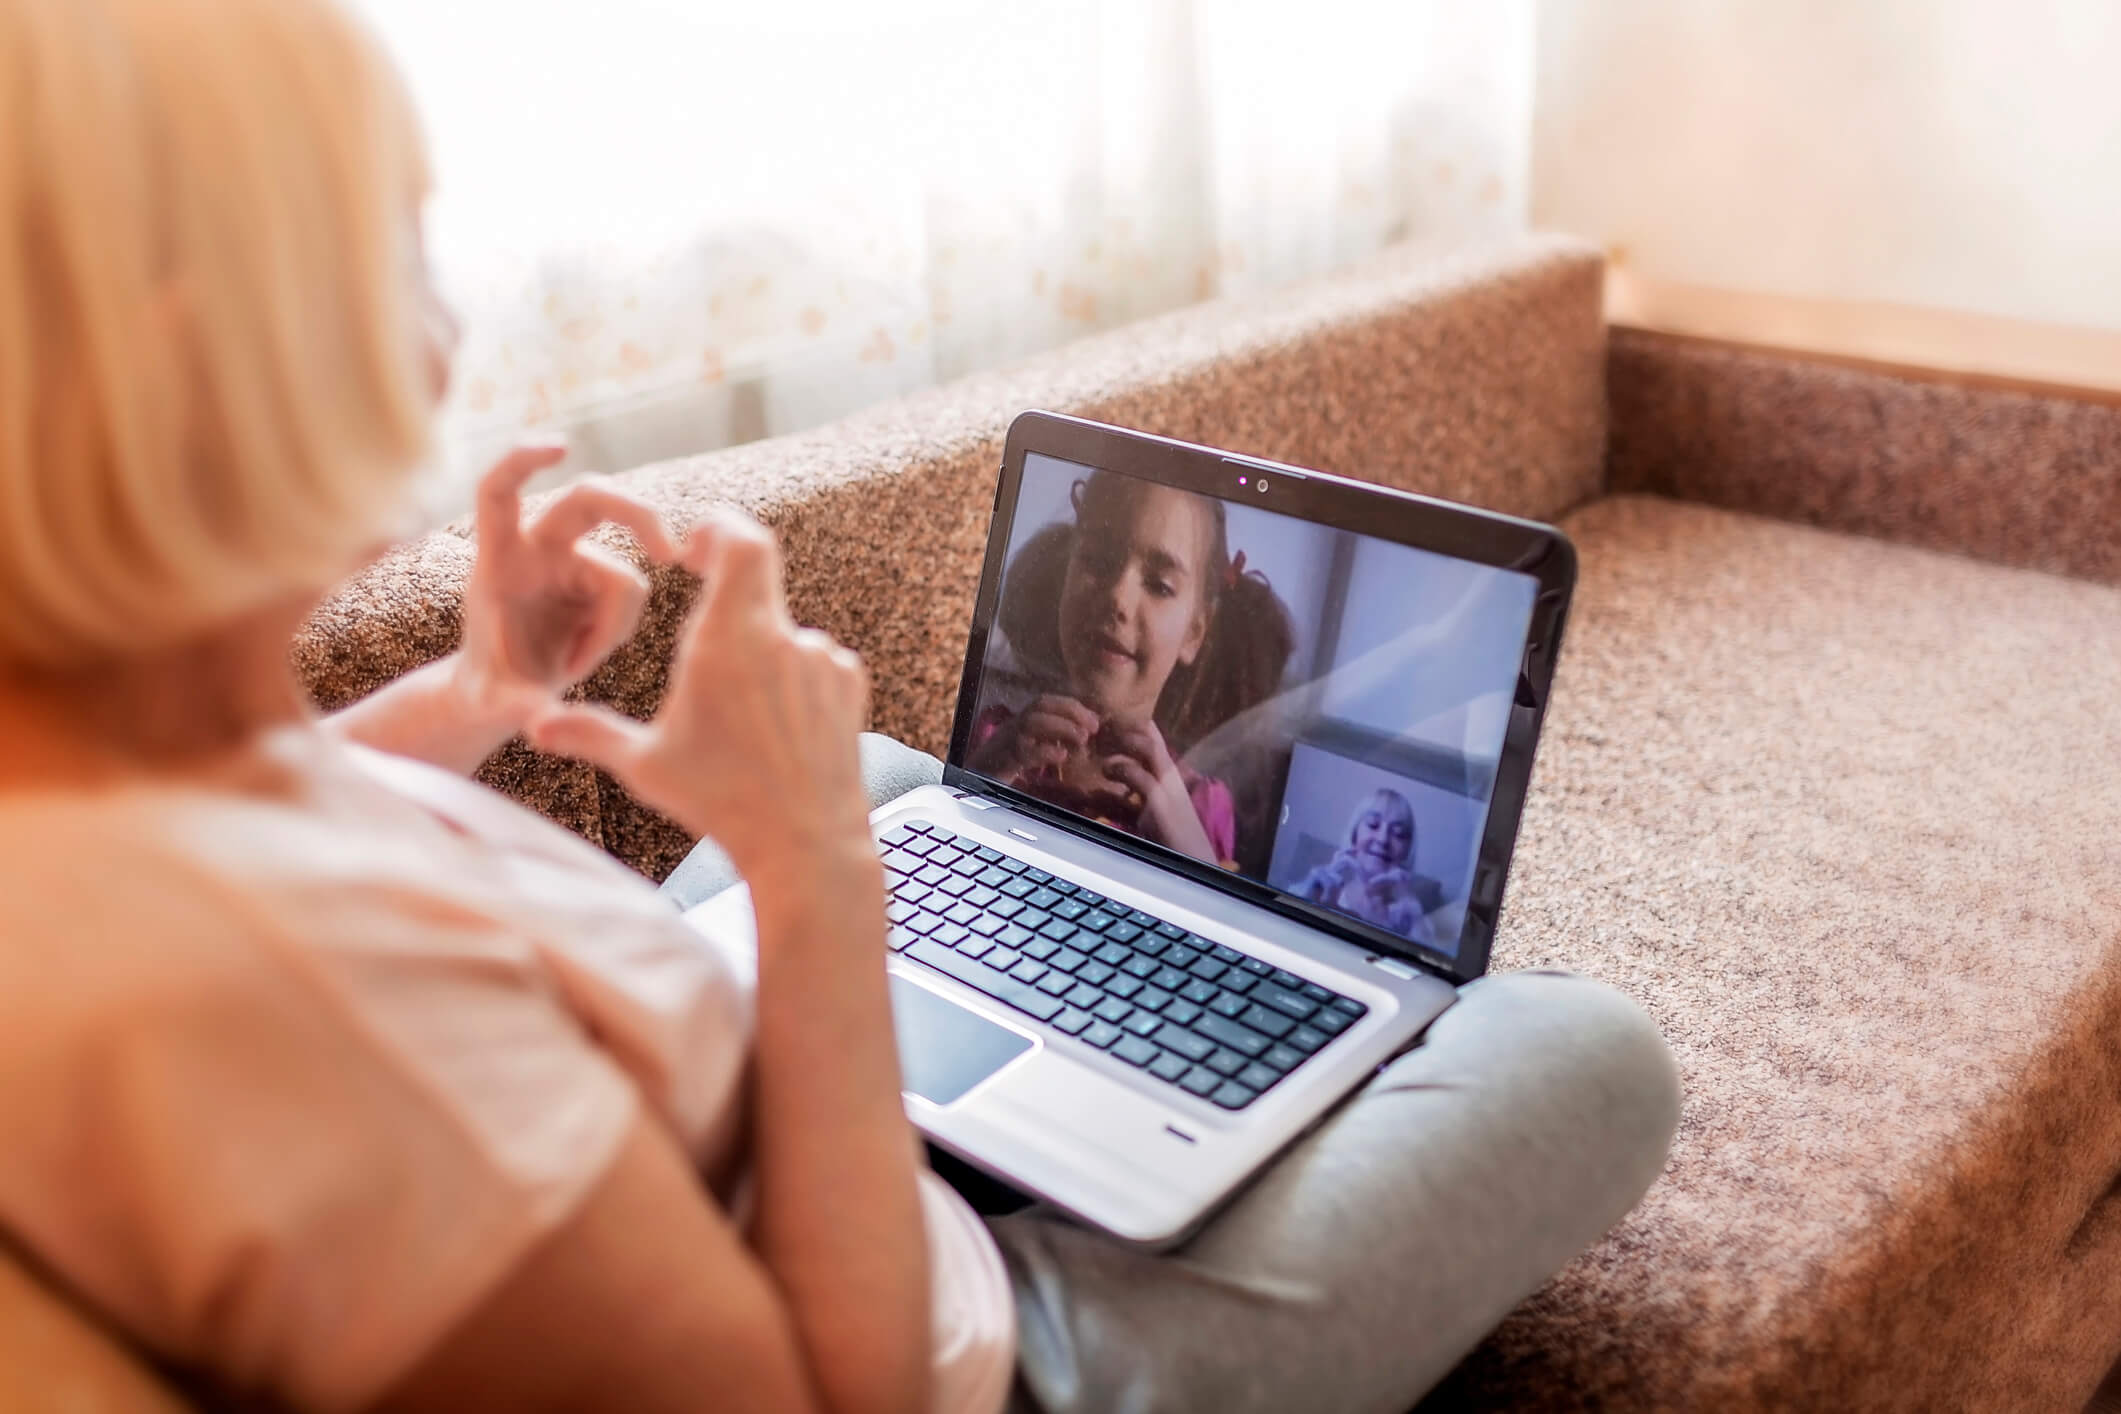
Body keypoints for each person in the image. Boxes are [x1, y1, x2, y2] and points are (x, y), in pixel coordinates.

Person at [0, 2, 1680, 1411]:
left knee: (899, 775)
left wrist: (482, 688)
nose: (442, 337)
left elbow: (260, 805)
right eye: (394, 251)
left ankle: (1006, 1022)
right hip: (962, 1338)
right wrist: (810, 873)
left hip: (724, 1119)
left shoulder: (83, 779)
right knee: (1586, 1046)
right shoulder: (326, 1022)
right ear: (202, 362)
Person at [968, 471, 1292, 868]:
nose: (1117, 598)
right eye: (1098, 561)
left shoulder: (1199, 808)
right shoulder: (997, 742)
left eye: (1158, 584)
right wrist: (984, 776)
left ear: (1194, 633)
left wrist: (1194, 857)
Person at [1293, 788, 1437, 944]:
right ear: (1354, 835)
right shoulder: (1319, 890)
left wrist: (1411, 927)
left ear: (1407, 851)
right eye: (1373, 825)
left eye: (1398, 833)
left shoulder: (1410, 918)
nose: (1383, 839)